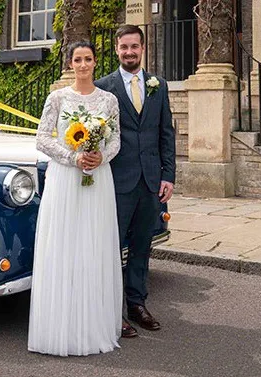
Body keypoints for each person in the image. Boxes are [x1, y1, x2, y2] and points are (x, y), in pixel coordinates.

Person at [28, 41, 122, 357]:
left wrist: (100, 157)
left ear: (95, 62)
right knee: (65, 245)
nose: (83, 64)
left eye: (88, 59)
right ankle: (61, 327)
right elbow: (42, 138)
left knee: (93, 245)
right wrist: (73, 158)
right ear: (70, 63)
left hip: (97, 179)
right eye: (78, 60)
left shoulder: (108, 101)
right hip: (65, 179)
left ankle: (93, 324)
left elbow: (116, 140)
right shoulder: (57, 98)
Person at [94, 24, 176, 337]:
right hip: (117, 181)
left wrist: (168, 174)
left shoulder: (159, 85)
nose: (129, 52)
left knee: (142, 245)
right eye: (124, 47)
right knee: (111, 247)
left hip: (151, 181)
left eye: (134, 47)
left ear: (143, 48)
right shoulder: (104, 87)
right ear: (117, 49)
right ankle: (112, 312)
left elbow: (165, 133)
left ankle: (137, 304)